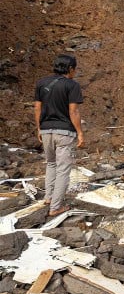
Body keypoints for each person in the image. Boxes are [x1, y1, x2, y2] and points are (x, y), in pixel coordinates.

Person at [34, 54, 84, 217]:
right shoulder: (72, 85)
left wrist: (39, 128)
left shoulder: (41, 83)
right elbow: (73, 111)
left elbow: (37, 108)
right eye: (74, 69)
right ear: (70, 69)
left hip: (46, 130)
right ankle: (55, 207)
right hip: (64, 132)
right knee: (63, 170)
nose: (75, 72)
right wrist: (80, 132)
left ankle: (49, 198)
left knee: (51, 164)